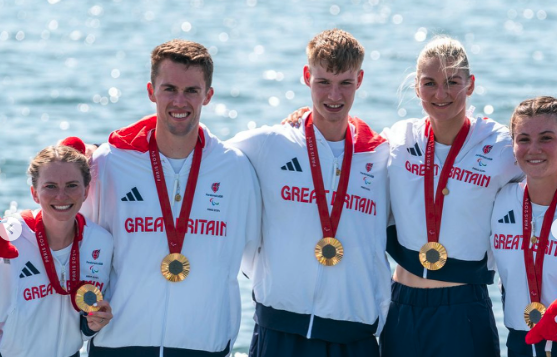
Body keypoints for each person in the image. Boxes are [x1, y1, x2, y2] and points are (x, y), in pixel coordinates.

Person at [81, 39, 261, 356]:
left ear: (208, 94)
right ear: (151, 91)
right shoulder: (109, 163)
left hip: (204, 345)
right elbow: (79, 248)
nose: (180, 101)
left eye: (192, 90)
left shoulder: (235, 168)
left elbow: (257, 257)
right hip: (120, 342)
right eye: (169, 89)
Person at [229, 28, 391, 357]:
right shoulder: (270, 144)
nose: (334, 95)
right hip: (279, 329)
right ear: (306, 76)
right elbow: (199, 154)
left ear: (359, 80)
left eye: (345, 83)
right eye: (323, 82)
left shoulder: (382, 155)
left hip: (354, 334)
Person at [379, 35, 523, 356]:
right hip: (401, 306)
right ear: (416, 87)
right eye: (429, 83)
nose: (441, 94)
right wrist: (307, 118)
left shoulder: (501, 147)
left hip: (463, 308)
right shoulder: (399, 139)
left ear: (470, 85)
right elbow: (347, 153)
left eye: (452, 82)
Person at [0, 137, 113, 357]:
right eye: (50, 186)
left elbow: (83, 322)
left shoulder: (101, 242)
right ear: (34, 193)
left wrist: (94, 323)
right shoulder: (9, 240)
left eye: (72, 185)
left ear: (86, 191)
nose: (61, 196)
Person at [491, 96, 557, 356]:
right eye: (524, 139)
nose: (534, 149)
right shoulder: (500, 199)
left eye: (547, 138)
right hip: (519, 342)